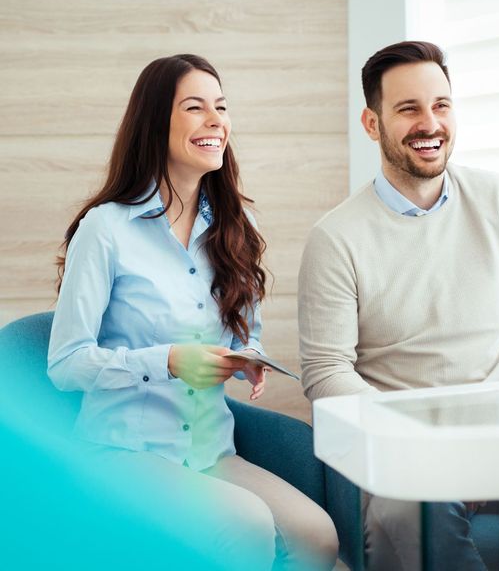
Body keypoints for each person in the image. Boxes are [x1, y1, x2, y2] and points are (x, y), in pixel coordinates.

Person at [298, 41, 499, 570]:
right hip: (411, 455)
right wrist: (426, 452)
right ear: (372, 124)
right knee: (412, 511)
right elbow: (326, 371)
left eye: (441, 105)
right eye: (409, 108)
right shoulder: (336, 238)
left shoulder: (498, 198)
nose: (430, 123)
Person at [48, 54, 338, 571]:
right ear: (157, 122)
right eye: (195, 107)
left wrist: (246, 357)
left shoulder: (235, 225)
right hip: (125, 454)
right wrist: (169, 360)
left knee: (317, 536)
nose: (216, 121)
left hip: (210, 454)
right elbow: (66, 363)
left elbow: (246, 332)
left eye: (221, 107)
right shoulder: (105, 229)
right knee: (245, 523)